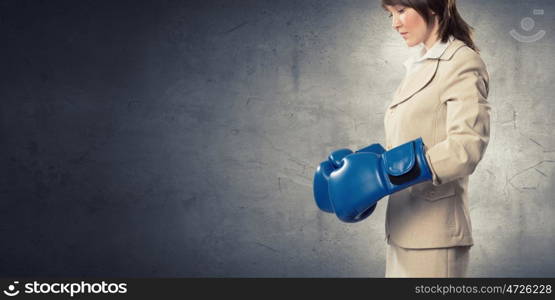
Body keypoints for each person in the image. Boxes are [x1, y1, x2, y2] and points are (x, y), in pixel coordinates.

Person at [313, 0, 490, 277]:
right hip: (403, 229)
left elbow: (466, 146)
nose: (395, 23)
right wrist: (365, 164)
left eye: (401, 10)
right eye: (391, 14)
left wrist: (384, 173)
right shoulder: (421, 63)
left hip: (435, 237)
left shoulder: (462, 62)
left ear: (432, 6)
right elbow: (415, 137)